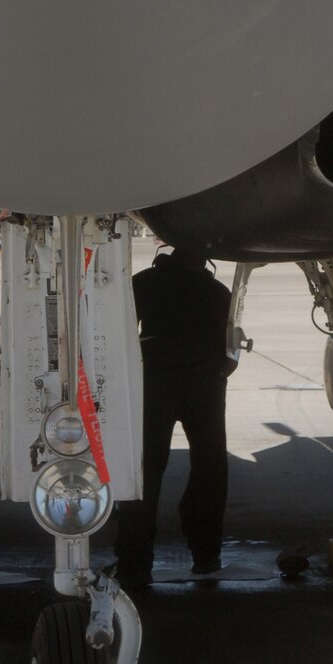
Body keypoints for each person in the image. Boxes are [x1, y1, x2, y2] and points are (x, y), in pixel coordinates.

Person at [114, 244, 234, 591]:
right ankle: (206, 552)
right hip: (203, 384)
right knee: (210, 466)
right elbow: (230, 352)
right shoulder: (216, 291)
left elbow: (121, 336)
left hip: (153, 382)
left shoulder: (143, 283)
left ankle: (134, 563)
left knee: (144, 470)